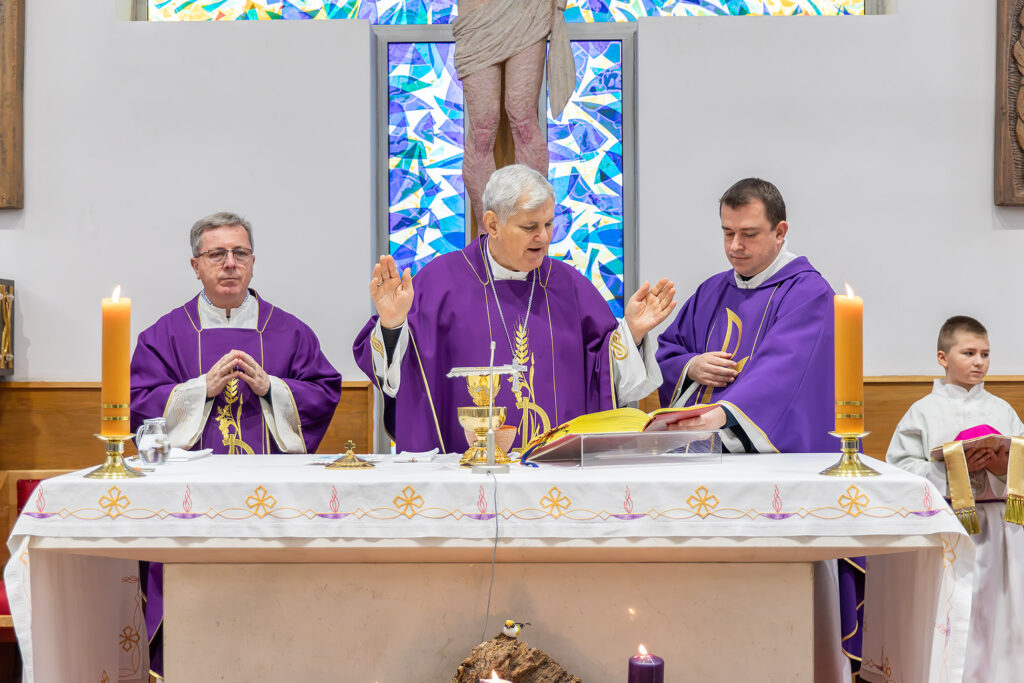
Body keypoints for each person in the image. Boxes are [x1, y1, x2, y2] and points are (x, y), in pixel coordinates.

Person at [353, 164, 676, 453]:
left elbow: (603, 376)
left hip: (554, 474)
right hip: (463, 473)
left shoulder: (569, 286)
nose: (544, 237)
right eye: (530, 227)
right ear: (492, 224)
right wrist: (392, 325)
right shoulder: (439, 283)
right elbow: (399, 375)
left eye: (548, 224)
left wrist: (631, 332)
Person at [130, 211, 342, 454]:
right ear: (196, 267)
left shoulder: (292, 333)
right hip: (191, 476)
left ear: (252, 263)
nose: (230, 263)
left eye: (240, 253)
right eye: (216, 254)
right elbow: (140, 406)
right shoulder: (162, 337)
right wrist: (201, 390)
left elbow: (323, 394)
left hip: (270, 475)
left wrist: (271, 388)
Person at [886, 315, 1024, 681]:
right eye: (969, 353)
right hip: (945, 524)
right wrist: (949, 473)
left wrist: (1001, 467)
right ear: (942, 358)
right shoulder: (922, 412)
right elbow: (899, 468)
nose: (979, 362)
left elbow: (1020, 468)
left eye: (985, 354)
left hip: (997, 530)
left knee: (993, 610)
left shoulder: (1002, 411)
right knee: (950, 606)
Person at [656, 177, 835, 453]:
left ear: (780, 232)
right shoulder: (711, 291)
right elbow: (670, 350)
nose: (735, 246)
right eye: (728, 233)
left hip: (772, 459)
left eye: (749, 234)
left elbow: (783, 372)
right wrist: (691, 366)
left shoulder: (809, 294)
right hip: (699, 449)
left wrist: (722, 415)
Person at [453, 0, 574, 223]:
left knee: (524, 121)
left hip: (527, 8)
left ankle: (528, 222)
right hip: (476, 14)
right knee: (482, 130)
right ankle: (488, 229)